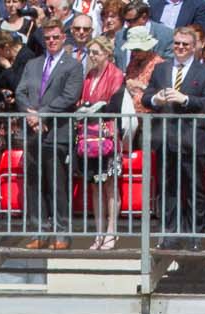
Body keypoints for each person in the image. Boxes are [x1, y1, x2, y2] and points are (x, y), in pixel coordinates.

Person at [144, 25, 205, 249]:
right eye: (177, 43)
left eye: (185, 44)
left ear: (195, 47)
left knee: (196, 190)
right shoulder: (160, 69)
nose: (181, 48)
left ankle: (196, 235)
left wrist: (184, 99)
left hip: (192, 139)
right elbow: (146, 98)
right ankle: (169, 234)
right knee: (167, 190)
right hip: (165, 139)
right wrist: (156, 99)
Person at [15, 18, 80, 248]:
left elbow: (69, 97)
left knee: (57, 184)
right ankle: (38, 232)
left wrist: (41, 114)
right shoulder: (33, 64)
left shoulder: (72, 65)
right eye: (48, 38)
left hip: (57, 132)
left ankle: (62, 234)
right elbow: (20, 92)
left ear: (63, 38)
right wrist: (32, 116)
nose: (51, 41)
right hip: (33, 132)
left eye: (55, 37)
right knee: (34, 182)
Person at [72, 35, 125, 249]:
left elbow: (114, 104)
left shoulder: (116, 74)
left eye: (96, 52)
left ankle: (112, 231)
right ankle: (99, 231)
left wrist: (95, 107)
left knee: (110, 184)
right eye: (90, 52)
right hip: (88, 134)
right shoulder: (89, 75)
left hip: (108, 134)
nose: (92, 56)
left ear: (107, 53)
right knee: (94, 185)